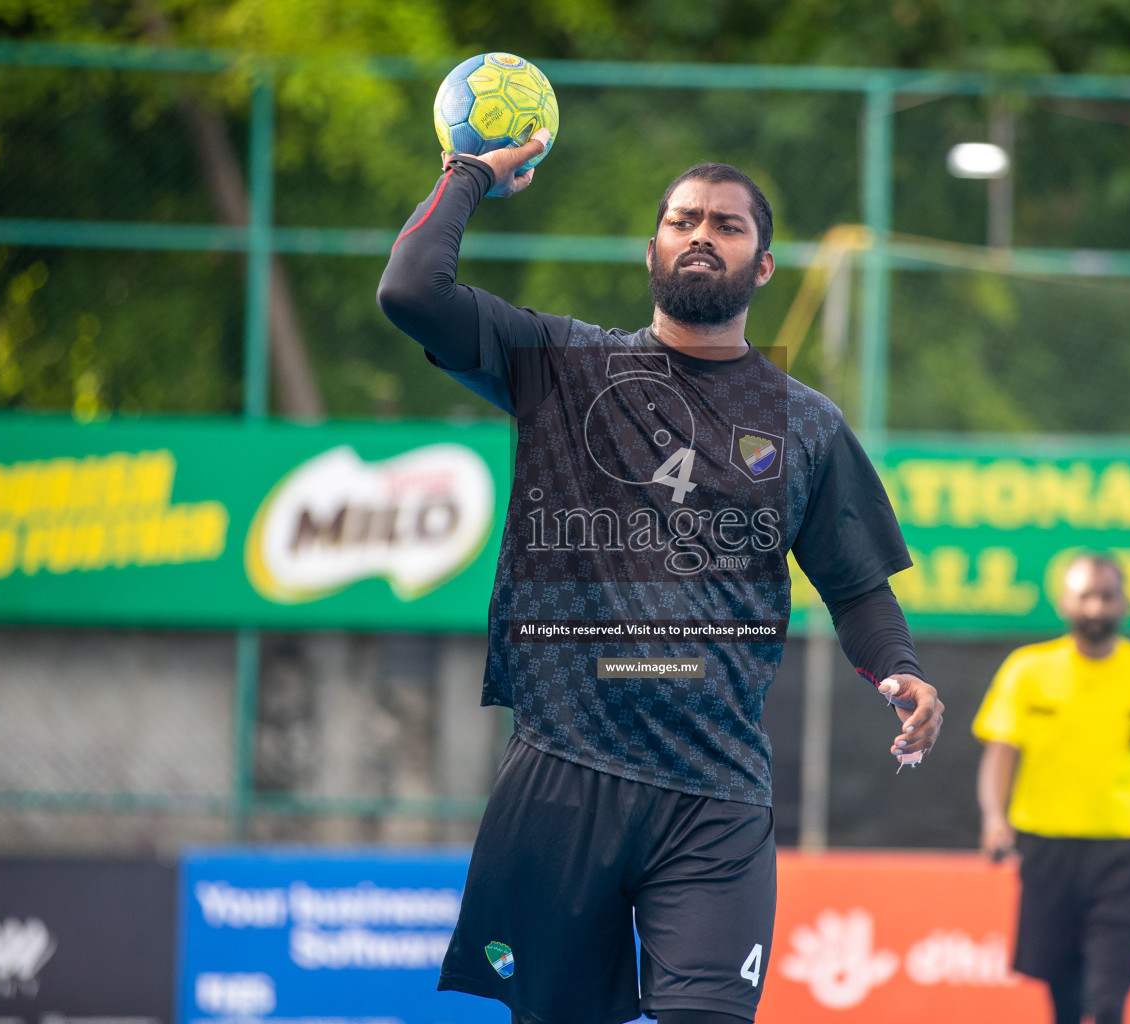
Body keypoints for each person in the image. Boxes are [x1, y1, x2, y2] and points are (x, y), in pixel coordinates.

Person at [376, 132, 944, 1024]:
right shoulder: (561, 368)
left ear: (762, 266)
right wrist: (469, 175)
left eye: (726, 224)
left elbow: (858, 585)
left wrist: (898, 667)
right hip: (565, 771)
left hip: (714, 793)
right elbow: (411, 290)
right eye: (682, 220)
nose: (701, 234)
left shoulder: (805, 423)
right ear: (652, 251)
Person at [972, 553, 1130, 1024]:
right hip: (1047, 849)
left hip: (1124, 854)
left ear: (1126, 603)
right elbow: (999, 756)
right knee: (1064, 995)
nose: (1096, 608)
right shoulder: (1027, 670)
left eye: (1107, 596)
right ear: (1063, 602)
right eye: (1085, 596)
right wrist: (995, 820)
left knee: (1108, 996)